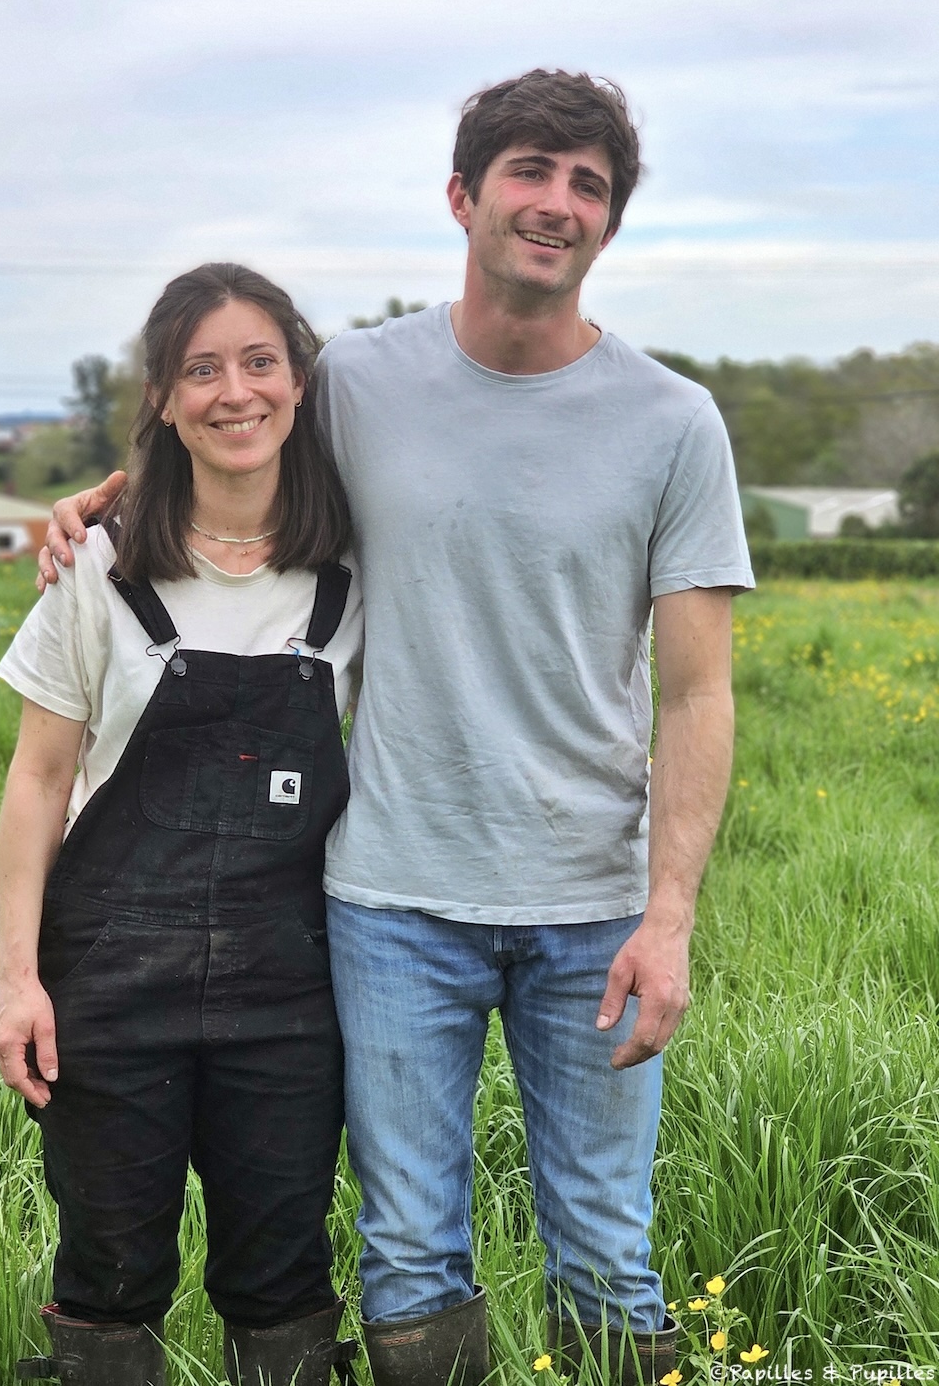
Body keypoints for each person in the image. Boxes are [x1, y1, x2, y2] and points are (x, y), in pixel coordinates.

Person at [41, 70, 754, 1386]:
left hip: (594, 905)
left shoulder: (674, 422)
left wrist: (671, 917)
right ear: (463, 197)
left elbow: (699, 691)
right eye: (530, 173)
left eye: (588, 185)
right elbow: (232, 425)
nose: (556, 203)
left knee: (606, 1250)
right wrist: (107, 500)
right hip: (387, 905)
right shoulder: (361, 378)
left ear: (610, 223)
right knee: (407, 1259)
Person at [0, 263, 364, 1386]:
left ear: (299, 384)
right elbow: (37, 782)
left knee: (283, 1273)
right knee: (108, 1269)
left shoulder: (357, 571)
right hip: (109, 985)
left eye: (259, 362)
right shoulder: (95, 567)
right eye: (200, 369)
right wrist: (18, 980)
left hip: (289, 999)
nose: (233, 392)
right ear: (160, 398)